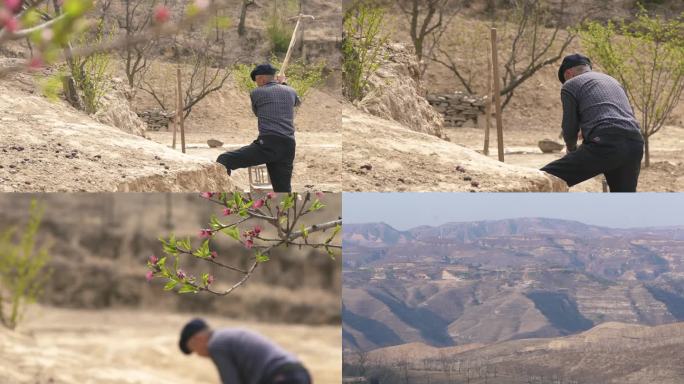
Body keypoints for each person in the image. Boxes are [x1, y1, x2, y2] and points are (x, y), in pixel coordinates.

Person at [540, 53, 645, 192]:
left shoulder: (570, 84)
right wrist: (589, 128)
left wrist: (571, 150)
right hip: (635, 143)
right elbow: (617, 113)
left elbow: (569, 126)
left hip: (606, 144)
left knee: (542, 179)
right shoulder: (613, 81)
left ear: (568, 73)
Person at [216, 63, 301, 192]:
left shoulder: (257, 93)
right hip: (288, 145)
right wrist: (283, 84)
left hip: (268, 144)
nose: (257, 84)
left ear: (261, 79)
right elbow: (297, 102)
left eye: (256, 81)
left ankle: (223, 195)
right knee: (283, 190)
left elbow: (257, 113)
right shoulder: (291, 91)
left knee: (224, 159)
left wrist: (279, 85)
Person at [179, 318, 312, 384]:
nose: (200, 355)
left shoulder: (216, 345)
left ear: (198, 339)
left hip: (279, 377)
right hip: (298, 372)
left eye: (195, 350)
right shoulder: (228, 336)